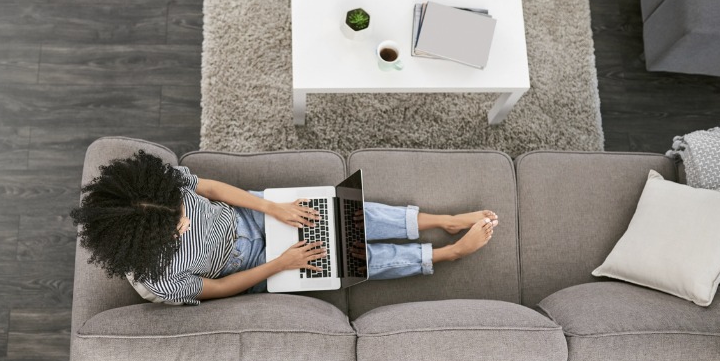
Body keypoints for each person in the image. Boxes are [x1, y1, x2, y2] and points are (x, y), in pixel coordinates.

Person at [71, 151, 499, 305]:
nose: (184, 219)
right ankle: (445, 254)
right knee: (350, 258)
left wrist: (272, 207)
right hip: (255, 264)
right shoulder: (157, 280)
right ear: (145, 240)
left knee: (347, 214)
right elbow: (220, 290)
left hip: (253, 215)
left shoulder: (161, 187)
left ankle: (441, 220)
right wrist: (281, 262)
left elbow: (216, 189)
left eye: (180, 210)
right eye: (176, 227)